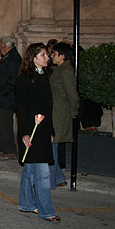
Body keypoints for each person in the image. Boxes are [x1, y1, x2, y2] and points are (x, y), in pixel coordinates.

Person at [15, 42, 60, 222]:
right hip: (31, 129)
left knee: (31, 169)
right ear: (33, 58)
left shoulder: (45, 76)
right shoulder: (24, 79)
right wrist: (25, 133)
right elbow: (22, 107)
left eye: (47, 55)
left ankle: (26, 203)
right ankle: (46, 210)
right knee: (42, 173)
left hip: (43, 129)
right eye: (43, 55)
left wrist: (51, 130)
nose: (47, 58)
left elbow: (48, 107)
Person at [49, 42, 79, 188]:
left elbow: (72, 95)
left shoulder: (66, 71)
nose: (51, 56)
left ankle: (51, 180)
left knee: (53, 144)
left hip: (60, 113)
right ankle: (58, 178)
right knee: (52, 145)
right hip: (55, 111)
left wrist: (74, 112)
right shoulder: (58, 69)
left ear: (62, 55)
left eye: (54, 54)